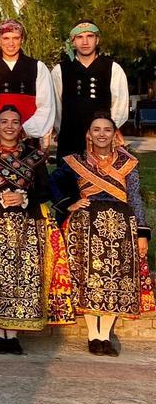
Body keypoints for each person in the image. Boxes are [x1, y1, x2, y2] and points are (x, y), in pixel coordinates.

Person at [0, 105, 74, 354]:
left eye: (14, 121)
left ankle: (15, 333)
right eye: (4, 121)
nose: (9, 126)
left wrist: (24, 197)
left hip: (28, 221)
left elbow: (44, 190)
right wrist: (0, 194)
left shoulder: (35, 156)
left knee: (23, 276)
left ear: (21, 126)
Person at [52, 113, 154, 356]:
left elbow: (135, 199)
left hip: (121, 227)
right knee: (90, 279)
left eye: (106, 129)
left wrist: (142, 233)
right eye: (96, 129)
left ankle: (105, 335)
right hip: (86, 226)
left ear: (114, 133)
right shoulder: (74, 161)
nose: (101, 134)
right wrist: (70, 204)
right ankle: (92, 335)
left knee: (115, 279)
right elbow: (52, 184)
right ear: (88, 134)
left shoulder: (129, 163)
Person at [52, 21, 130, 157]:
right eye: (80, 37)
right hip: (69, 140)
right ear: (73, 42)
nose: (85, 42)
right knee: (67, 177)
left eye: (90, 36)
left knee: (101, 177)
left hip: (102, 141)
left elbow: (120, 105)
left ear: (97, 40)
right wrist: (62, 131)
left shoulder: (113, 69)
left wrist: (107, 132)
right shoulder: (60, 70)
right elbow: (55, 107)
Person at [0, 19, 56, 143]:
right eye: (6, 38)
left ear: (22, 40)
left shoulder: (38, 67)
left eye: (16, 38)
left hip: (28, 139)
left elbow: (46, 106)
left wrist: (25, 130)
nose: (11, 43)